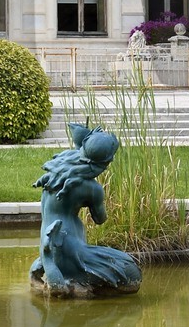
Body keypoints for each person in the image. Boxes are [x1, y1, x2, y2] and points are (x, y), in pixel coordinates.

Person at [30, 124, 142, 297]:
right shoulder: (92, 188)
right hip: (70, 248)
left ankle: (54, 269)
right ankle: (70, 284)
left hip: (50, 238)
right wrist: (96, 202)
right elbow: (100, 219)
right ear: (106, 162)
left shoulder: (57, 169)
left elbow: (79, 149)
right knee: (132, 273)